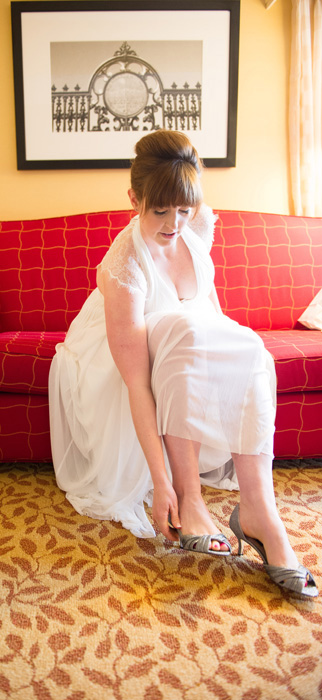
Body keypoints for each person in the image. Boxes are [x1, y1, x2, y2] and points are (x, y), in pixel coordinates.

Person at [48, 130, 318, 598]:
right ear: (134, 199)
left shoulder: (197, 223)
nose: (174, 224)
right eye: (160, 211)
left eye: (183, 210)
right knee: (182, 329)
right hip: (114, 367)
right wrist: (162, 482)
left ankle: (260, 511)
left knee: (252, 348)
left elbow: (208, 311)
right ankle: (190, 497)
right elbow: (135, 381)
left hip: (183, 352)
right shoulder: (124, 264)